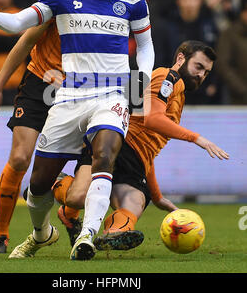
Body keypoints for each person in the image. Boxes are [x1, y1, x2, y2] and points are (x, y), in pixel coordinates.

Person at [0, 0, 155, 261]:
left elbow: (145, 47)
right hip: (68, 96)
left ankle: (86, 236)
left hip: (111, 95)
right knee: (39, 183)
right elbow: (18, 24)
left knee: (105, 156)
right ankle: (41, 233)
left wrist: (137, 90)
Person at [52, 40, 229, 251]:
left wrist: (157, 196)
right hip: (115, 143)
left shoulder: (178, 92)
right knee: (78, 197)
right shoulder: (168, 77)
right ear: (181, 58)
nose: (201, 75)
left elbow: (148, 150)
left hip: (135, 160)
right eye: (199, 67)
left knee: (134, 204)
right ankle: (54, 184)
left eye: (206, 72)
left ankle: (111, 235)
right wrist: (197, 138)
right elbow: (151, 119)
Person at [216, 0, 247, 104]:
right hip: (238, 99)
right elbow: (223, 65)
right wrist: (242, 89)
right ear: (243, 12)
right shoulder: (229, 34)